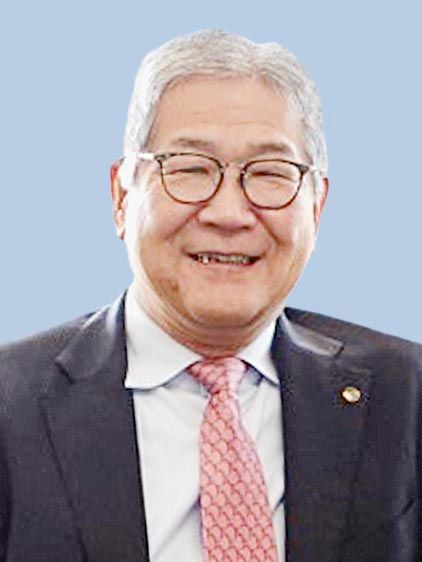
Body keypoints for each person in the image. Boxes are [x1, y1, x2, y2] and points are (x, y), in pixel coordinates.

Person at [0, 29, 421, 562]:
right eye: (191, 168)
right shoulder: (12, 404)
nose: (228, 213)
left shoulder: (405, 395)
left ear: (316, 208)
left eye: (269, 174)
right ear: (122, 196)